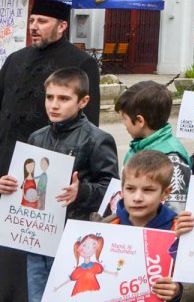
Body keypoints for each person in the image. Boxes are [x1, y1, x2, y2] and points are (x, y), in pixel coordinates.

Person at [0, 0, 102, 302]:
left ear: (62, 26)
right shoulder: (15, 59)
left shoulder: (81, 63)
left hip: (53, 174)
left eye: (42, 22)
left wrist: (77, 175)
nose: (34, 27)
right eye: (32, 21)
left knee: (36, 256)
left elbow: (90, 123)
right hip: (8, 168)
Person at [3, 68, 118, 300]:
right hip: (37, 238)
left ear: (83, 101)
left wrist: (81, 191)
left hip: (73, 241)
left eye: (64, 99)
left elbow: (112, 190)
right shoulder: (37, 137)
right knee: (36, 297)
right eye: (50, 97)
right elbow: (30, 183)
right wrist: (10, 186)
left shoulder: (97, 139)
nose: (54, 105)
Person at [100, 150, 191, 301]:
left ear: (165, 192)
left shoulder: (179, 231)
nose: (137, 198)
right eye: (130, 189)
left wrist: (178, 290)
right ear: (122, 189)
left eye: (148, 190)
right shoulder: (107, 227)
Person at [115, 81, 192, 209]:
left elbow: (175, 209)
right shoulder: (138, 146)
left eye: (125, 118)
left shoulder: (171, 158)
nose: (124, 124)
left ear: (140, 120)